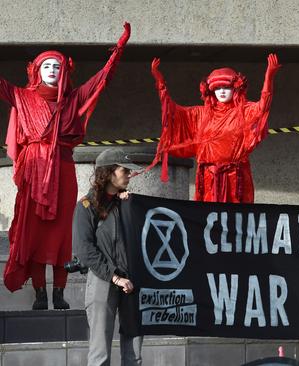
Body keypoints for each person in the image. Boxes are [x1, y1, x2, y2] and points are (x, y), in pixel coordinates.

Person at [1, 23, 131, 309]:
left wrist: (118, 50)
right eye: (46, 65)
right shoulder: (22, 97)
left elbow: (101, 80)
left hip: (62, 173)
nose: (52, 70)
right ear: (36, 70)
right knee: (34, 236)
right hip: (34, 176)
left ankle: (59, 293)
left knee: (62, 235)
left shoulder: (73, 100)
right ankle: (40, 294)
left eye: (57, 67)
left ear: (64, 73)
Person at [148, 54, 281, 203]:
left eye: (226, 87)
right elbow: (172, 111)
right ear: (211, 91)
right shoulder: (201, 114)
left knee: (235, 221)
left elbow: (263, 106)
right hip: (208, 178)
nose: (222, 91)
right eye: (217, 88)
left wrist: (269, 77)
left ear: (235, 88)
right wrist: (161, 85)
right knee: (207, 220)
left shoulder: (244, 111)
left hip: (235, 179)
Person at [73, 148, 143, 366]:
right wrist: (114, 276)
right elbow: (84, 250)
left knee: (134, 356)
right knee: (100, 354)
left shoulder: (127, 202)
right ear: (109, 173)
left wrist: (128, 205)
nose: (129, 175)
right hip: (103, 280)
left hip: (132, 282)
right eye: (125, 171)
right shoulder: (86, 206)